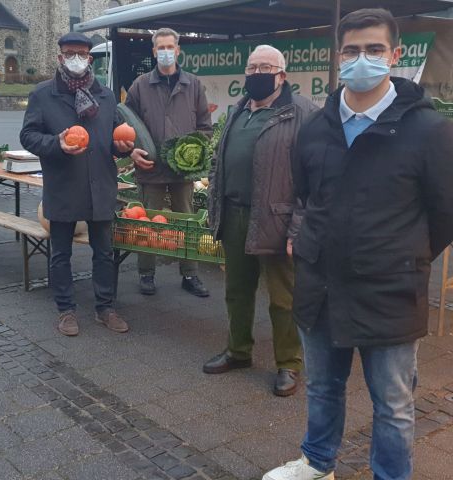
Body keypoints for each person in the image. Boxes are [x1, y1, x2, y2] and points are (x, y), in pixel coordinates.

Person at [263, 8, 453, 480]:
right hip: (320, 284)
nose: (361, 59)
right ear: (338, 56)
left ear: (394, 54)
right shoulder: (316, 128)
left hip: (388, 290)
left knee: (393, 402)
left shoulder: (428, 131)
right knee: (324, 387)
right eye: (351, 50)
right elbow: (308, 195)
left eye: (373, 49)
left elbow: (445, 212)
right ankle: (318, 463)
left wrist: (404, 255)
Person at [203, 45, 317, 396]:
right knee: (237, 291)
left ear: (282, 75)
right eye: (251, 67)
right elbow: (220, 162)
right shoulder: (240, 110)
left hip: (277, 219)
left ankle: (289, 364)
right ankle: (238, 351)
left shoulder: (303, 113)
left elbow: (314, 177)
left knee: (284, 297)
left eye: (265, 67)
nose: (256, 74)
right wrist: (214, 207)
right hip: (236, 214)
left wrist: (298, 224)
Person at [20, 32, 133, 337]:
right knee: (60, 254)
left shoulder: (106, 96)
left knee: (104, 252)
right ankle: (66, 310)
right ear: (59, 57)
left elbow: (113, 137)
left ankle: (105, 307)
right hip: (63, 184)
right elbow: (28, 136)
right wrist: (56, 143)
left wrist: (123, 147)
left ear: (90, 58)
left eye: (81, 54)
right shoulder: (43, 95)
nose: (76, 59)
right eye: (70, 53)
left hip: (101, 186)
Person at [126, 28, 212, 297]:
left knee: (186, 222)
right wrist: (133, 151)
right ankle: (146, 273)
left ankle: (190, 274)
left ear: (178, 50)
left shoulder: (194, 85)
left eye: (169, 47)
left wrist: (194, 155)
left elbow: (205, 128)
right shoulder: (140, 85)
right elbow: (125, 125)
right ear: (154, 52)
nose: (165, 52)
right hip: (150, 169)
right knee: (147, 222)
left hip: (183, 172)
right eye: (160, 47)